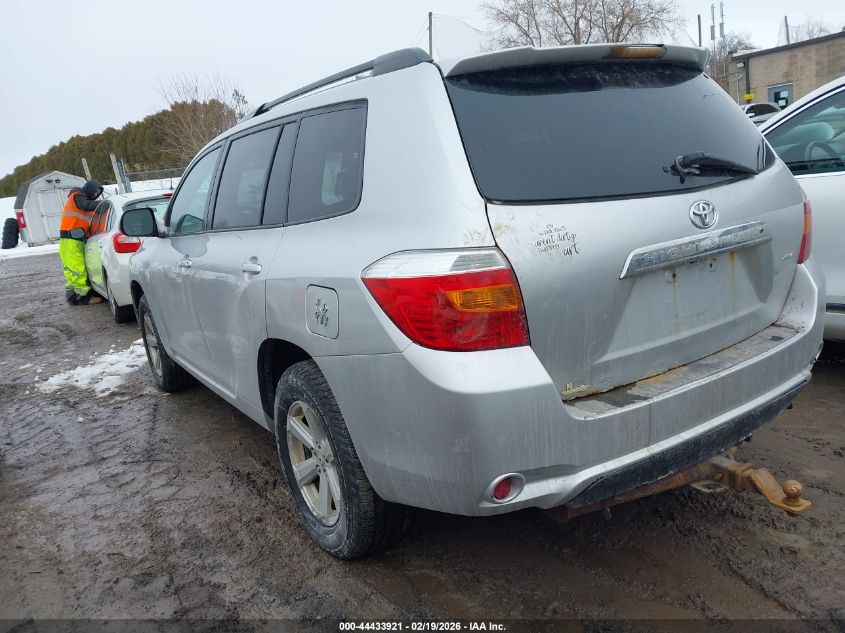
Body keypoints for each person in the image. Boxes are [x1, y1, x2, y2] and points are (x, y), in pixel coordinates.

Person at [59, 179, 105, 305]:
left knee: (71, 270)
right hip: (71, 239)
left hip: (72, 239)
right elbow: (86, 205)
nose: (95, 194)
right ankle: (84, 297)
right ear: (89, 188)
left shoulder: (80, 199)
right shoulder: (77, 196)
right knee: (78, 269)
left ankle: (72, 296)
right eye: (95, 191)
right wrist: (104, 204)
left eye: (98, 193)